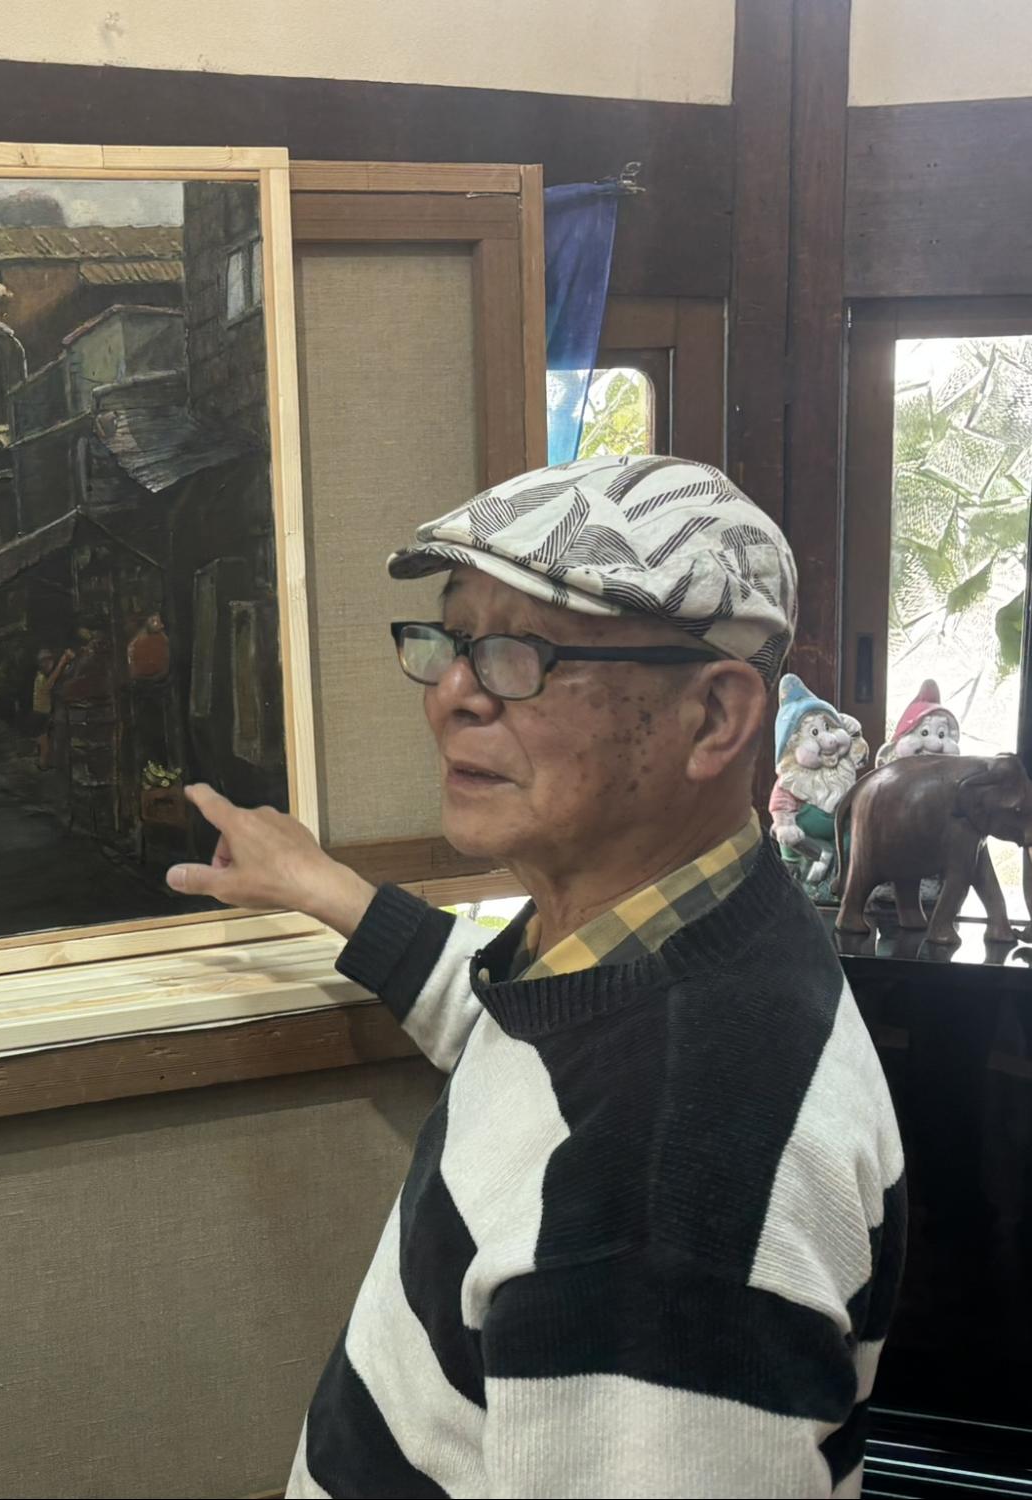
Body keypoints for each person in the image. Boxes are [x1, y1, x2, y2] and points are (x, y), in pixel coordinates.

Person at [166, 455, 906, 1499]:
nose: (451, 696)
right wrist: (327, 890)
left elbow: (611, 1141)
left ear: (712, 718)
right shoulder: (677, 937)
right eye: (451, 640)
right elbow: (530, 1049)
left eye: (521, 654)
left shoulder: (661, 1198)